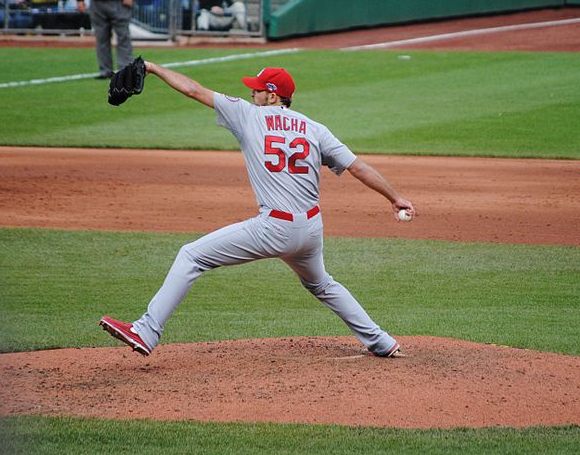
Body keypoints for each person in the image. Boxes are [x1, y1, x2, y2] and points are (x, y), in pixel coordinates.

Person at [99, 64, 416, 359]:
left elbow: (194, 90)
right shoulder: (314, 129)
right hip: (311, 229)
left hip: (274, 229)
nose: (252, 93)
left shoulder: (248, 115)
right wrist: (394, 197)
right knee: (322, 284)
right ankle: (381, 342)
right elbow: (357, 167)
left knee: (191, 255)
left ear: (272, 95)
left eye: (257, 89)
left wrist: (153, 68)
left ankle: (146, 331)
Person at [76, 0, 141, 79]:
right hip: (97, 2)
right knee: (101, 38)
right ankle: (105, 71)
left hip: (120, 1)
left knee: (123, 37)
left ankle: (126, 71)